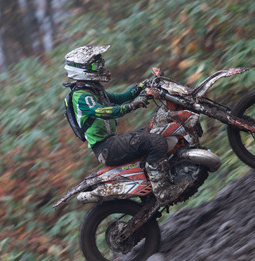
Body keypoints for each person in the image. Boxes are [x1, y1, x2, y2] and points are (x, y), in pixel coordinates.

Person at [63, 45, 189, 206]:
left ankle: (170, 172)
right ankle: (163, 191)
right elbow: (103, 111)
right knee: (156, 142)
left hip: (111, 143)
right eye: (96, 65)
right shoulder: (81, 96)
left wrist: (142, 85)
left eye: (100, 63)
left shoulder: (93, 90)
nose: (101, 67)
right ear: (82, 70)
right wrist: (133, 106)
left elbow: (120, 97)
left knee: (158, 127)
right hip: (107, 148)